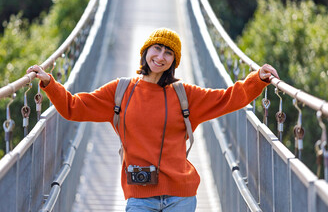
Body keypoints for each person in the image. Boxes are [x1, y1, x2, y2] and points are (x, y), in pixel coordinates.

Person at [27, 28, 279, 211]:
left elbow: (228, 98)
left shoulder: (184, 95)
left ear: (174, 62)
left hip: (180, 195)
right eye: (156, 48)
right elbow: (74, 107)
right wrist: (49, 83)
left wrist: (258, 79)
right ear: (145, 51)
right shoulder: (121, 91)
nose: (161, 56)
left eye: (169, 53)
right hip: (139, 196)